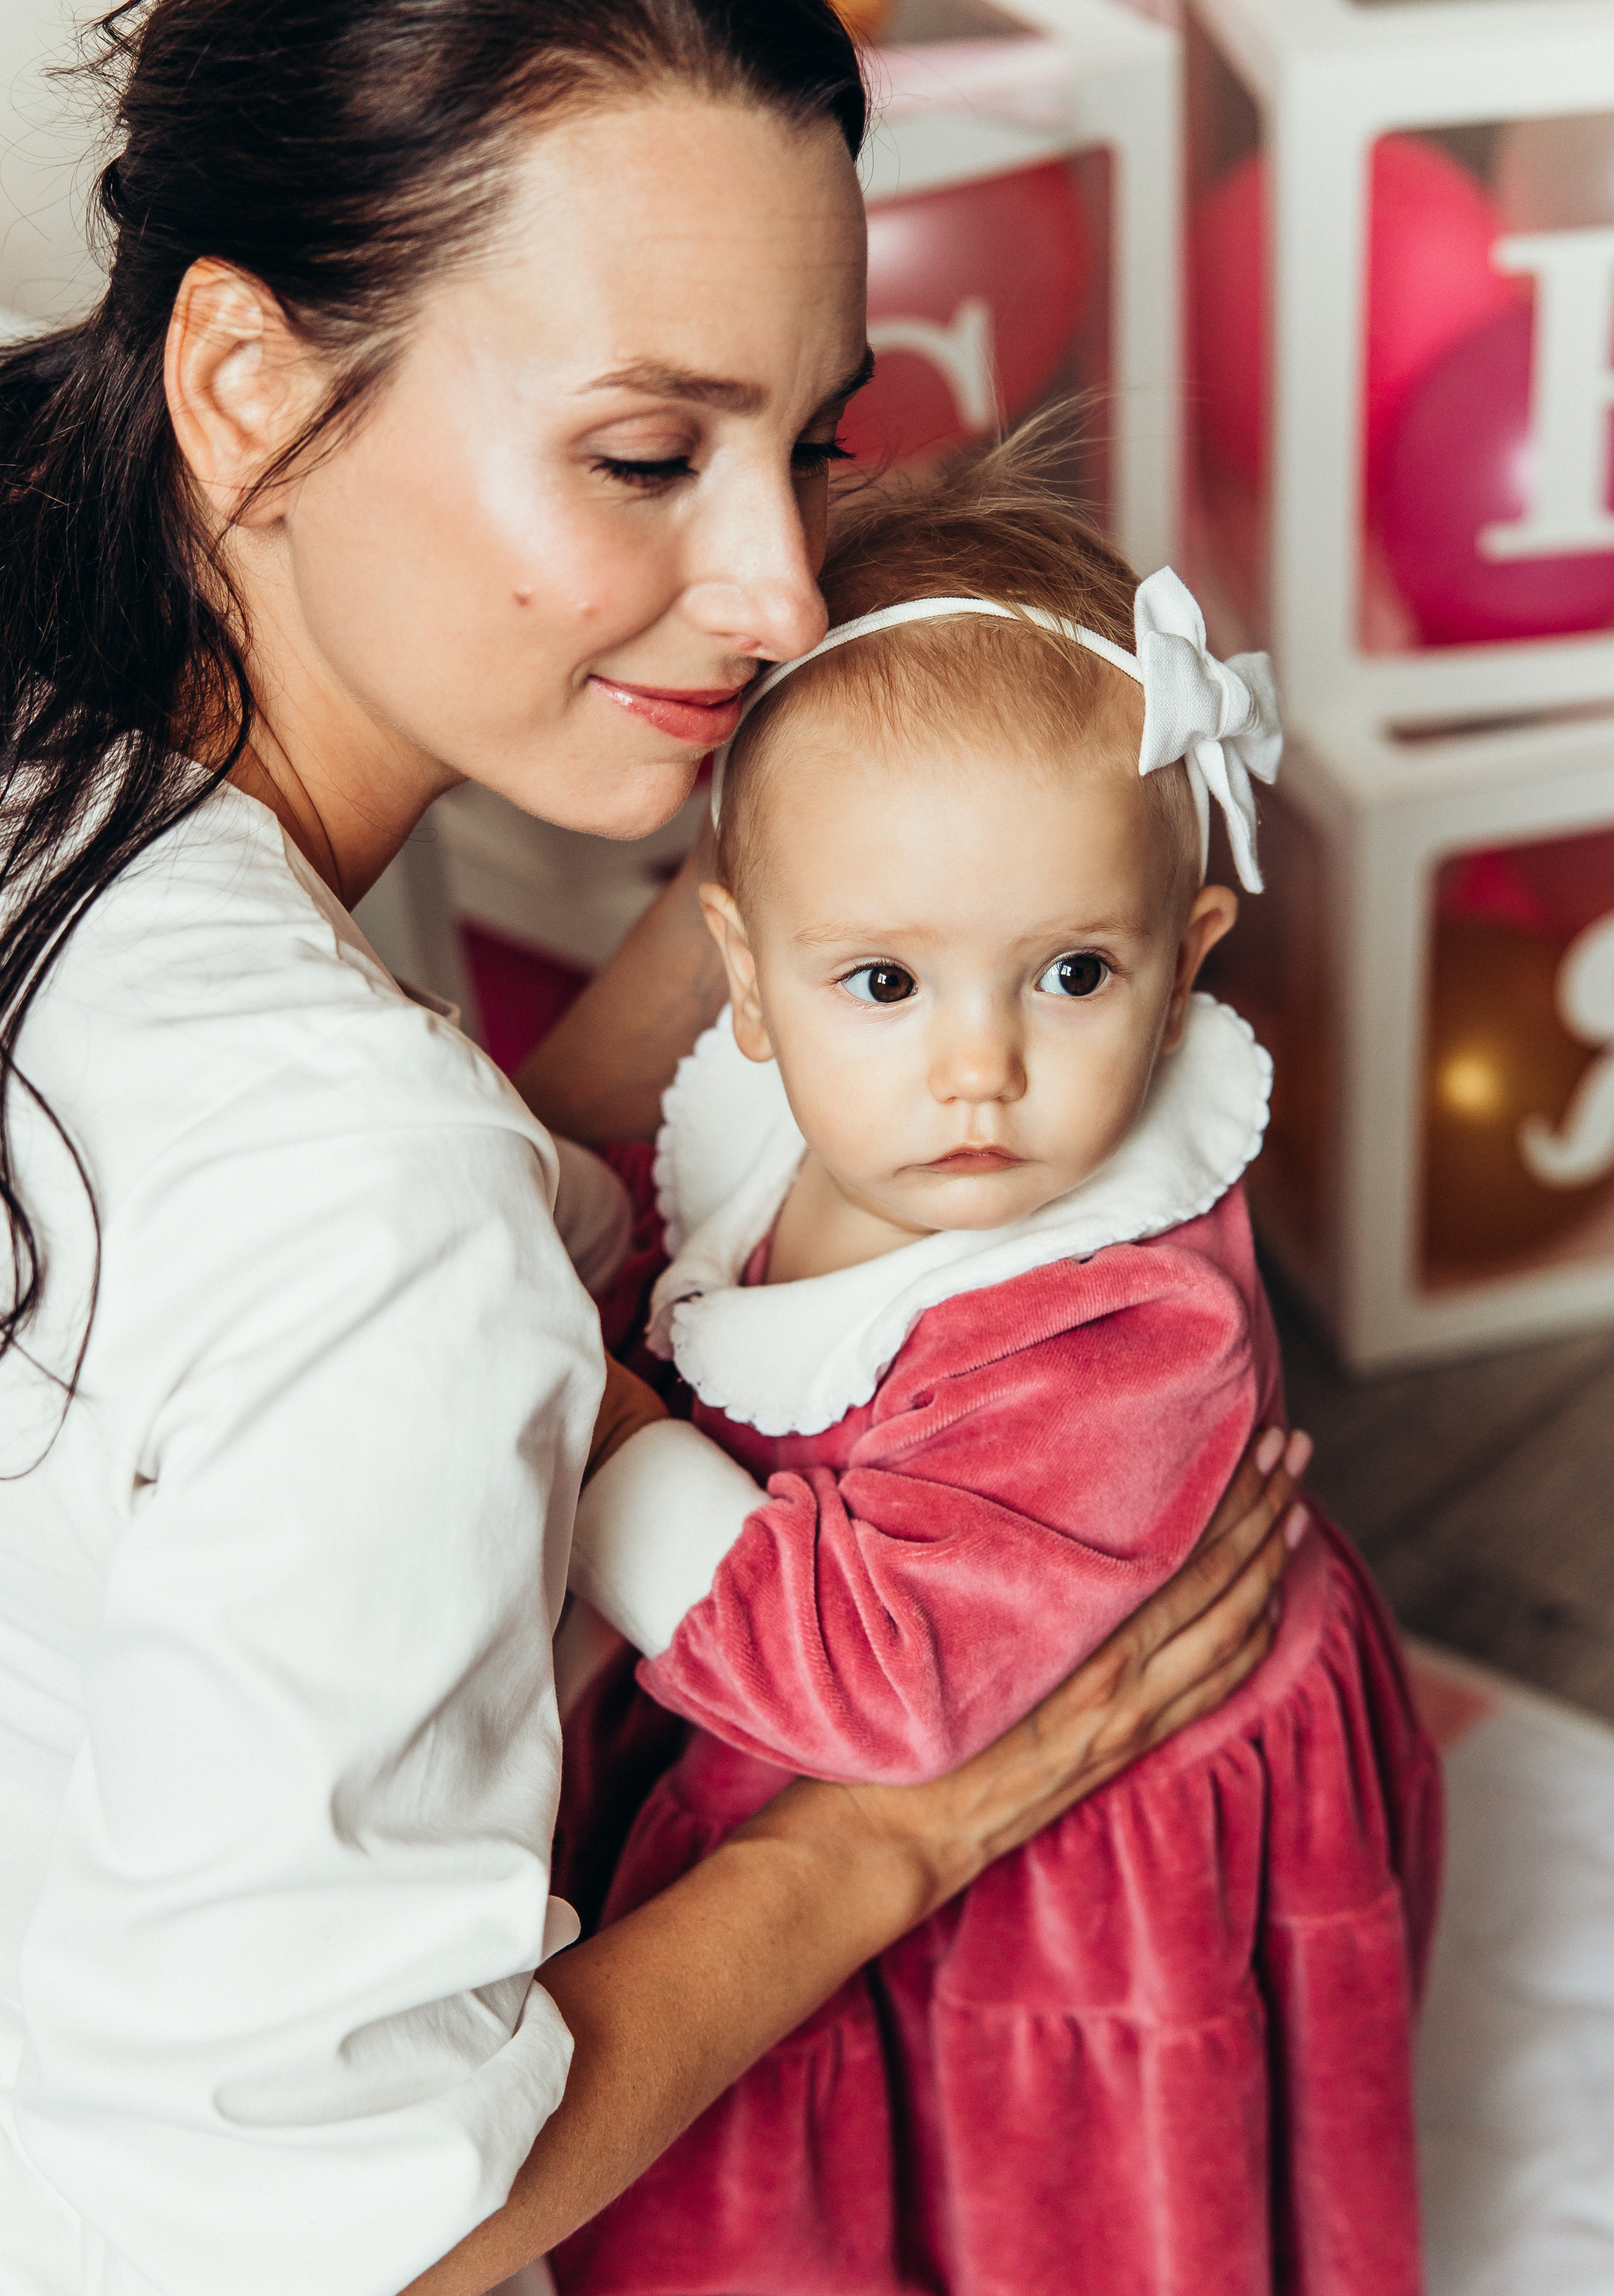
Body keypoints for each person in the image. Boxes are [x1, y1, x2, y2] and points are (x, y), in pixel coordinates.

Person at [0, 0, 1308, 2293]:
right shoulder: (366, 1210)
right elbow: (338, 2241)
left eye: (811, 444)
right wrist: (896, 1837)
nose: (787, 589)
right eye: (640, 454)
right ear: (245, 379)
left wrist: (837, 890)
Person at [550, 446, 1440, 2296]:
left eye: (1073, 974)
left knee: (1066, 2197)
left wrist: (604, 1424)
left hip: (1086, 1848)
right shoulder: (760, 1118)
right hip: (808, 1712)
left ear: (1184, 967)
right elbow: (678, 1273)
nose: (981, 1070)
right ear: (747, 977)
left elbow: (889, 1686)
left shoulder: (1124, 1321)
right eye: (885, 982)